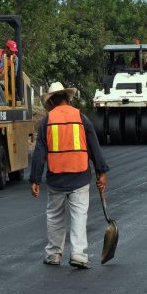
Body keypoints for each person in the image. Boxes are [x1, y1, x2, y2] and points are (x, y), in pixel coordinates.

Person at [29, 82, 110, 269]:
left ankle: (53, 254)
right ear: (67, 97)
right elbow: (93, 146)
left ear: (52, 101)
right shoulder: (81, 117)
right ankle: (78, 255)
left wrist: (34, 179)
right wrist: (101, 171)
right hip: (80, 175)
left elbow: (40, 152)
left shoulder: (47, 121)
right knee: (79, 216)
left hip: (56, 177)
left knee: (55, 216)